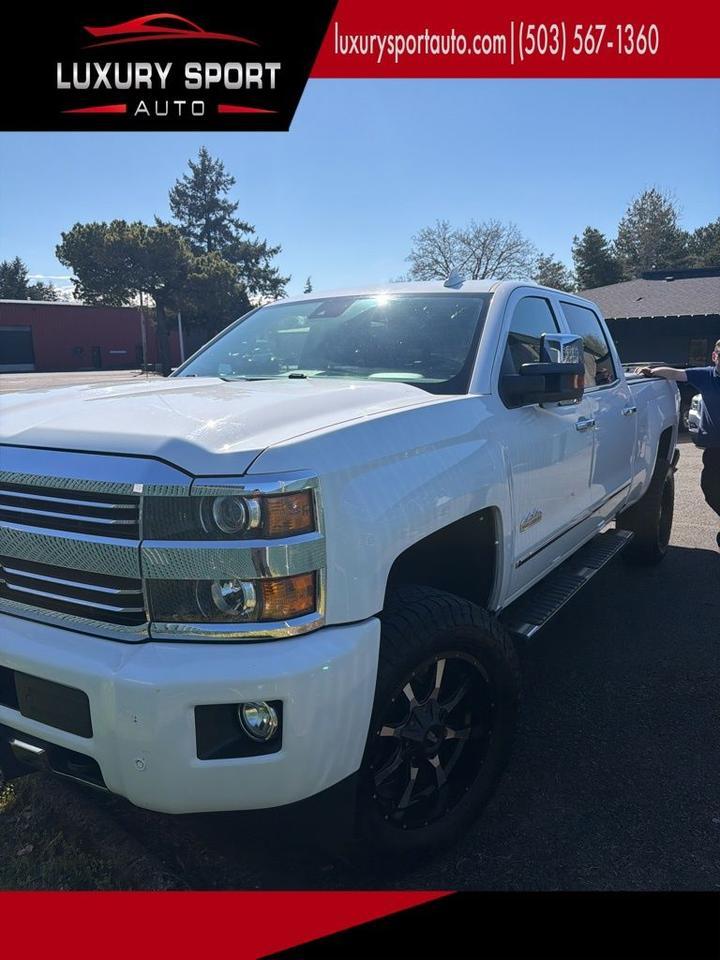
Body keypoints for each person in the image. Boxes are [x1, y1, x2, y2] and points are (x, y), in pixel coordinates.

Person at [638, 340, 720, 549]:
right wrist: (652, 371)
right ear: (714, 356)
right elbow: (676, 374)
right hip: (714, 449)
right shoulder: (706, 376)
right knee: (710, 488)